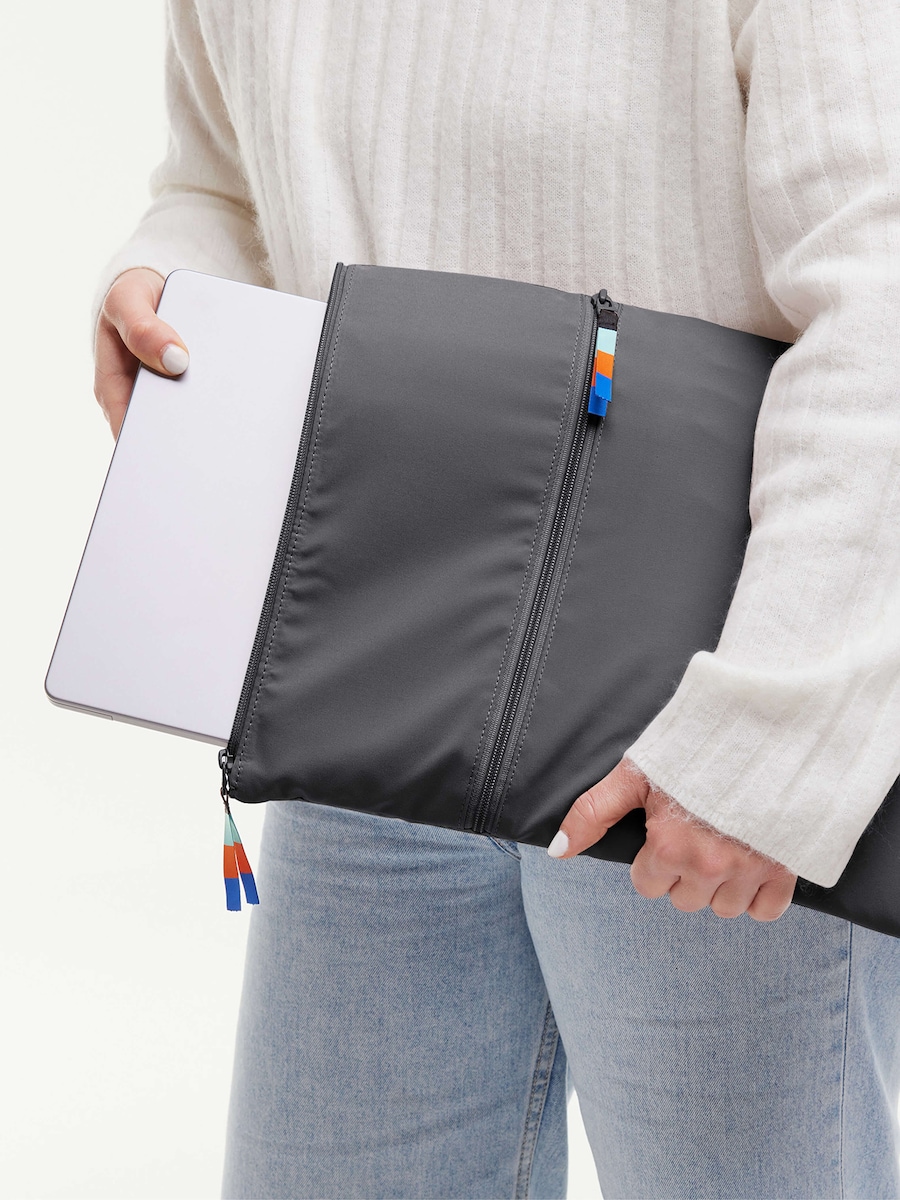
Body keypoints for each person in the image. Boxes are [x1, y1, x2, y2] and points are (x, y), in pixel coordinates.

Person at [91, 1, 900, 1196]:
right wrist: (175, 276)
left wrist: (770, 736)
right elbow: (224, 179)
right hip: (374, 687)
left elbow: (883, 285)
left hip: (698, 715)